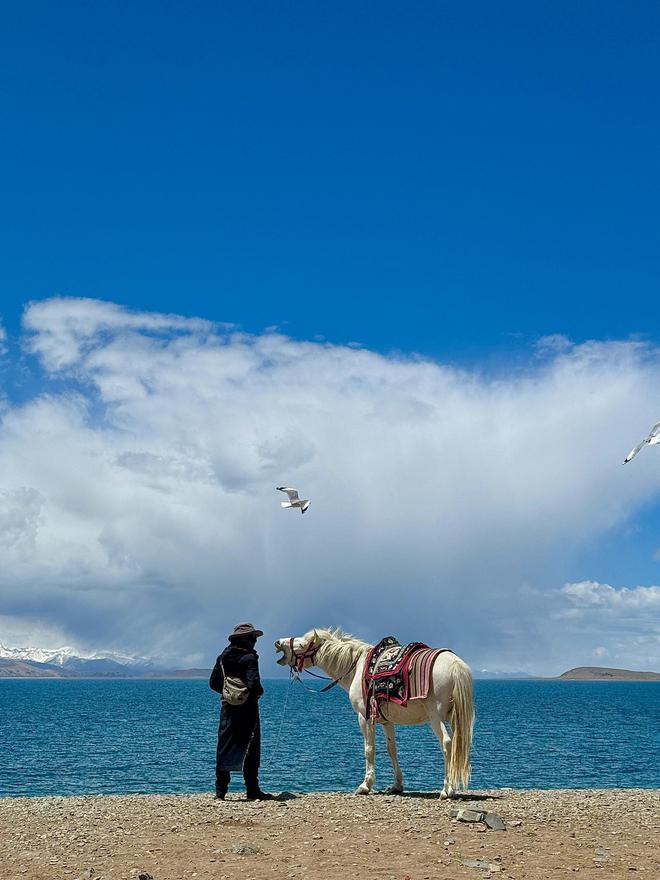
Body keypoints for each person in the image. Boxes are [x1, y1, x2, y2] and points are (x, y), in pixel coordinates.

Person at [209, 622, 273, 800]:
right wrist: (257, 693)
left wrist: (230, 694)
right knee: (251, 748)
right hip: (248, 710)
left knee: (224, 747)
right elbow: (254, 684)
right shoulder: (249, 658)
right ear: (248, 639)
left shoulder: (223, 657)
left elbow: (213, 682)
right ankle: (252, 789)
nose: (255, 641)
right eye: (253, 638)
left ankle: (220, 791)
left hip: (228, 708)